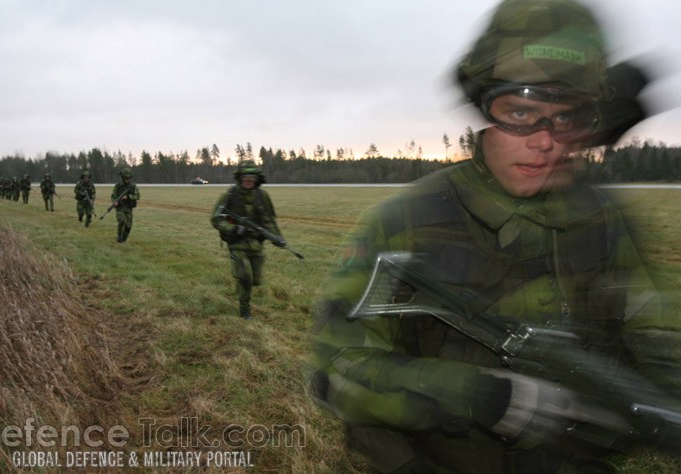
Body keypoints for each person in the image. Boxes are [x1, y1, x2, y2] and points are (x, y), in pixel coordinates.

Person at [311, 1, 681, 472]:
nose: (545, 140)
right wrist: (475, 396)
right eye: (521, 112)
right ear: (484, 109)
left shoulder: (604, 221)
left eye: (567, 118)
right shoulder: (406, 221)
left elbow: (654, 342)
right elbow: (335, 369)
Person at [211, 160, 285, 320]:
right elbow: (216, 219)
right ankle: (245, 309)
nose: (249, 179)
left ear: (257, 178)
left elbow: (268, 220)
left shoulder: (262, 196)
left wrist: (278, 237)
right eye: (245, 176)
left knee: (256, 280)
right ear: (240, 178)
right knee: (246, 276)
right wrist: (234, 229)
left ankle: (241, 286)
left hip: (256, 244)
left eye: (252, 176)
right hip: (237, 243)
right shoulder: (229, 195)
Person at [111, 168, 140, 243]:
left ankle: (123, 239)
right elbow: (113, 196)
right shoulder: (118, 186)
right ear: (123, 177)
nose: (128, 179)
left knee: (129, 226)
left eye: (129, 178)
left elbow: (137, 196)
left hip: (129, 208)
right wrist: (115, 202)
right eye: (126, 178)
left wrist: (128, 197)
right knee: (122, 221)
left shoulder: (133, 186)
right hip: (120, 208)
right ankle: (119, 235)